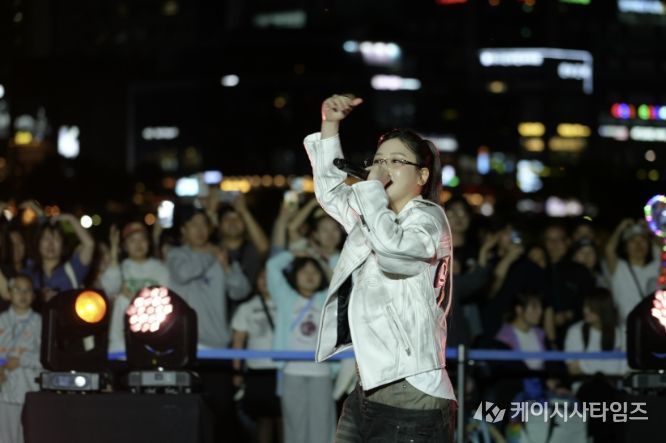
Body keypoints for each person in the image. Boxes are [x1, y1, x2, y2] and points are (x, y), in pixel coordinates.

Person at [304, 94, 456, 442]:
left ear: (422, 175)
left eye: (396, 161)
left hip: (411, 390)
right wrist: (330, 126)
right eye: (378, 160)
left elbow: (393, 250)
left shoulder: (428, 219)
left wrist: (371, 189)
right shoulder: (373, 218)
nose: (383, 168)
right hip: (368, 387)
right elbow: (331, 194)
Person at [267, 251, 335, 443]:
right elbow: (272, 266)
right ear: (295, 275)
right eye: (304, 271)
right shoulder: (285, 297)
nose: (310, 275)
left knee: (322, 426)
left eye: (315, 271)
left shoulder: (327, 298)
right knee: (294, 426)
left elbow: (344, 277)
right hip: (292, 371)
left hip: (321, 371)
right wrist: (295, 254)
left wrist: (325, 257)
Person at [100, 222, 170, 353]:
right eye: (132, 240)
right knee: (121, 299)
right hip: (122, 339)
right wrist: (114, 252)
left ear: (148, 242)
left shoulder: (160, 269)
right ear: (125, 246)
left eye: (142, 239)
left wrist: (137, 299)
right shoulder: (120, 268)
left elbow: (167, 298)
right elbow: (109, 288)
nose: (138, 244)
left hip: (152, 332)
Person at [230, 267, 282, 443]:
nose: (265, 281)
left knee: (285, 418)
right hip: (257, 371)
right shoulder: (246, 307)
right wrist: (237, 371)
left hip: (284, 370)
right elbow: (238, 340)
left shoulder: (288, 303)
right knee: (263, 419)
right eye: (261, 277)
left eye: (269, 277)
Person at [0, 274, 41, 443]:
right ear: (8, 293)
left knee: (29, 435)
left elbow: (46, 358)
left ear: (33, 295)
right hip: (5, 392)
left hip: (30, 390)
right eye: (17, 290)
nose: (23, 295)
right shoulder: (2, 320)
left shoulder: (39, 322)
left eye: (27, 290)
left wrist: (21, 360)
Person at [23, 214, 95, 305]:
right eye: (45, 238)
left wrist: (71, 218)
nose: (50, 243)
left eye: (56, 238)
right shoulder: (28, 273)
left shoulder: (74, 269)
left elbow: (89, 244)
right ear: (38, 243)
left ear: (63, 244)